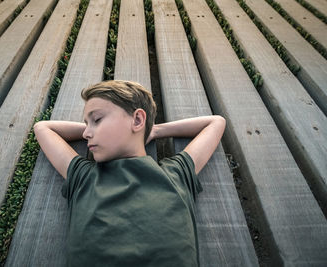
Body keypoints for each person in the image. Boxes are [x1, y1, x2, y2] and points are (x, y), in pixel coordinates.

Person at [33, 80, 226, 267]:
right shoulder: (83, 176)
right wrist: (143, 130)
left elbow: (216, 123)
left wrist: (154, 130)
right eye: (86, 124)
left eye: (97, 120)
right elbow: (43, 128)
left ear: (137, 119)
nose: (85, 133)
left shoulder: (176, 174)